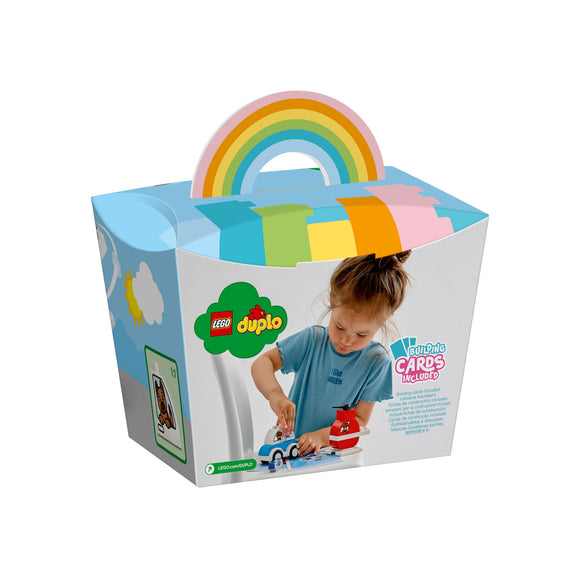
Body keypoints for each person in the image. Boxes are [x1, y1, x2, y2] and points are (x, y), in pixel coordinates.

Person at [251, 251, 411, 456]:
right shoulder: (312, 341)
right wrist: (276, 395)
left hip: (337, 456)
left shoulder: (377, 362)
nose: (346, 341)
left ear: (385, 318)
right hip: (292, 451)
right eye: (340, 327)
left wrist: (320, 437)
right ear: (332, 299)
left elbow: (360, 421)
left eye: (361, 334)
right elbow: (263, 363)